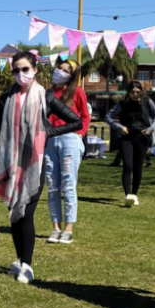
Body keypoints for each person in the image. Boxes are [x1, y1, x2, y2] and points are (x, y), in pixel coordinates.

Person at [0, 51, 81, 285]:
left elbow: (76, 121)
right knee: (14, 215)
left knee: (26, 213)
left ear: (35, 70)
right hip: (8, 162)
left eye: (25, 69)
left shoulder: (45, 96)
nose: (21, 74)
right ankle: (20, 260)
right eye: (16, 70)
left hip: (34, 164)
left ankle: (27, 265)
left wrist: (47, 132)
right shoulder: (7, 98)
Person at [43, 60, 91, 245]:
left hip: (70, 140)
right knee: (52, 184)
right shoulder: (48, 93)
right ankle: (55, 227)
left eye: (66, 70)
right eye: (60, 68)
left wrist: (79, 134)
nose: (60, 72)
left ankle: (68, 229)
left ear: (72, 75)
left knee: (68, 184)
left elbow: (85, 117)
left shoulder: (77, 92)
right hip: (50, 140)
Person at [105, 80, 155, 207]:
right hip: (127, 136)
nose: (135, 94)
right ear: (128, 93)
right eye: (132, 92)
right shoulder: (123, 104)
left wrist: (151, 128)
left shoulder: (147, 101)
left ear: (141, 91)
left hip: (142, 137)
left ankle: (134, 194)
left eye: (137, 92)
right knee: (128, 165)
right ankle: (128, 195)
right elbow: (108, 117)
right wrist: (119, 127)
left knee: (138, 167)